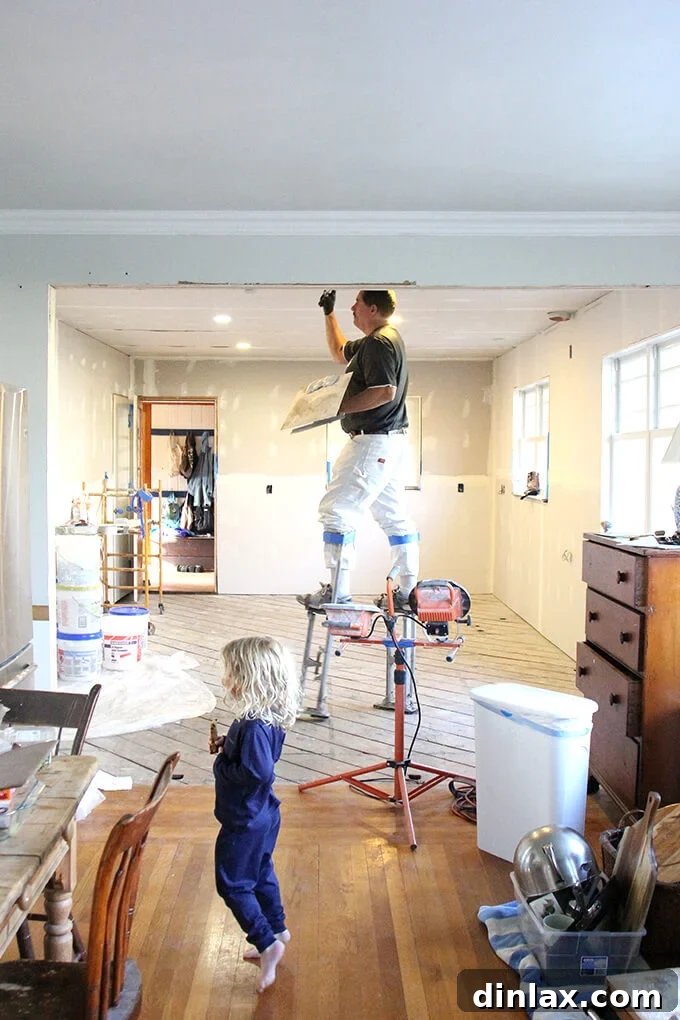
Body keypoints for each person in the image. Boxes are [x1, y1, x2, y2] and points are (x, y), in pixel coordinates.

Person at [297, 288, 419, 611]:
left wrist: (338, 406)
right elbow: (339, 351)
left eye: (357, 303)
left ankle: (338, 593)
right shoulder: (372, 343)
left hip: (373, 439)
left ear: (373, 308)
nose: (352, 307)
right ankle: (408, 589)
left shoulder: (380, 343)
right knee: (393, 516)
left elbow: (384, 391)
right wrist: (329, 313)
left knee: (336, 511)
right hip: (388, 443)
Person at [212, 635, 299, 993]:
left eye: (230, 673)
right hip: (265, 814)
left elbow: (258, 772)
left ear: (250, 679)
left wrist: (222, 765)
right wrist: (227, 746)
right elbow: (254, 759)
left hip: (243, 820)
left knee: (232, 883)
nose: (224, 680)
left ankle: (266, 942)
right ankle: (277, 927)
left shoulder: (251, 728)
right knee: (261, 870)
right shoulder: (265, 719)